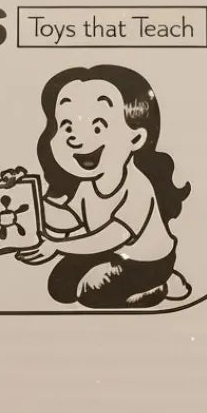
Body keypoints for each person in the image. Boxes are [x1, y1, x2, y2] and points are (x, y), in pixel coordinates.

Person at [16, 66, 191, 309]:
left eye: (97, 127)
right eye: (67, 126)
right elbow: (69, 218)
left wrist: (57, 246)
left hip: (146, 261)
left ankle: (160, 284)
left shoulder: (137, 187)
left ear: (136, 138)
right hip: (110, 252)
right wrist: (26, 197)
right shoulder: (88, 183)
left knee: (89, 294)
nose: (75, 139)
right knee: (60, 287)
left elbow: (112, 236)